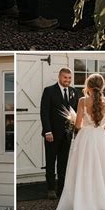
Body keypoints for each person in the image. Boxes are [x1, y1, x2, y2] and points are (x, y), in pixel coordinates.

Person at [54, 74, 105, 210]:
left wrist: (75, 122)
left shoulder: (82, 101)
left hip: (85, 137)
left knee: (84, 168)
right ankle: (103, 199)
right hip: (100, 137)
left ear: (87, 86)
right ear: (102, 86)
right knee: (102, 169)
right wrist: (100, 131)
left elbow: (78, 123)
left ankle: (84, 200)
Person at [40, 68, 80, 198]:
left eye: (69, 78)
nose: (67, 80)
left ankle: (61, 190)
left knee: (63, 163)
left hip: (67, 134)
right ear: (59, 77)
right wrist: (47, 131)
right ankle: (51, 189)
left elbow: (76, 113)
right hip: (52, 134)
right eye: (65, 78)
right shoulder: (49, 91)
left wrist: (76, 130)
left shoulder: (74, 92)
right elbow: (44, 112)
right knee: (51, 162)